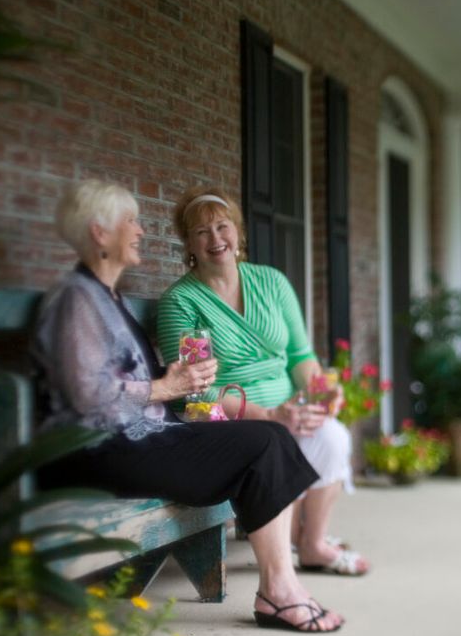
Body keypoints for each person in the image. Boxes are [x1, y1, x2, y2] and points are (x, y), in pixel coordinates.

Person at [32, 179, 344, 632]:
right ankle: (279, 592)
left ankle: (282, 584)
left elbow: (298, 358)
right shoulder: (79, 300)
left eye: (223, 227)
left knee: (272, 438)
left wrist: (316, 391)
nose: (140, 231)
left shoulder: (107, 297)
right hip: (101, 446)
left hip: (145, 435)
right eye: (132, 222)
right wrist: (166, 387)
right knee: (263, 442)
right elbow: (93, 398)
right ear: (100, 233)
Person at [157, 187, 370, 576]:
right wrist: (268, 414)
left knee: (334, 436)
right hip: (221, 420)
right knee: (278, 440)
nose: (215, 239)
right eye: (202, 232)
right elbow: (197, 395)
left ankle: (312, 544)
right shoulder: (183, 303)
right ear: (188, 242)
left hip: (285, 411)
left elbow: (301, 357)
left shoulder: (271, 283)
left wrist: (323, 396)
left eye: (223, 227)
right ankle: (285, 541)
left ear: (238, 232)